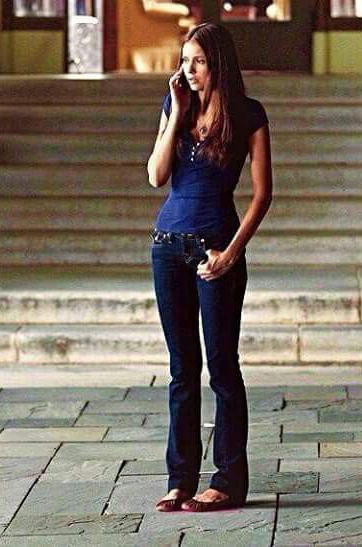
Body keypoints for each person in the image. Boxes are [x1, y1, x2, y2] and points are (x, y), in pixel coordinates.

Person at [146, 21, 272, 512]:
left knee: (222, 367)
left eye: (197, 61)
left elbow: (262, 195)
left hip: (216, 249)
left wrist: (230, 254)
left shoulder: (248, 114)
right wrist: (176, 115)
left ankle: (227, 480)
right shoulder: (174, 105)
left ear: (217, 62)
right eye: (183, 61)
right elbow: (156, 176)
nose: (188, 70)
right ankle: (180, 478)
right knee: (182, 370)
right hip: (166, 248)